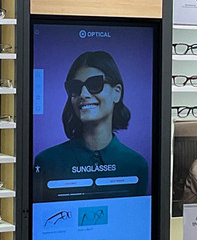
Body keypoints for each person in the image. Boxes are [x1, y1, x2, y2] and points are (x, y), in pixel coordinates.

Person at [33, 51, 149, 201]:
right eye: (75, 87)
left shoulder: (137, 165)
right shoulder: (46, 161)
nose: (83, 94)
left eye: (95, 84)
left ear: (117, 93)